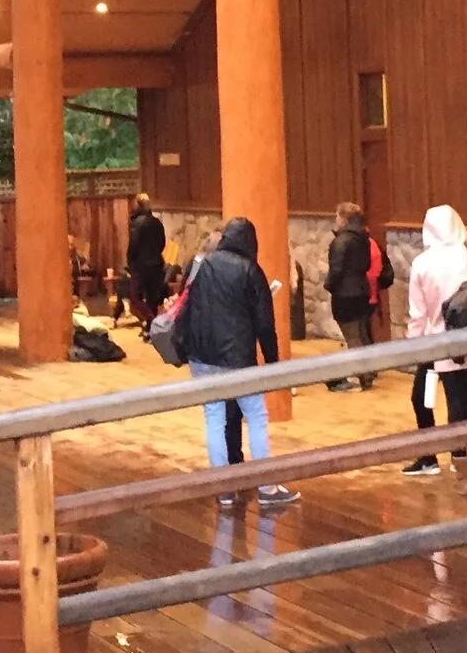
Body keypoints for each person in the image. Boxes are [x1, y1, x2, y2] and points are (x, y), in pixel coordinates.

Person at [178, 218, 300, 509]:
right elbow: (265, 324)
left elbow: (187, 305)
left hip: (201, 355)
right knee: (256, 417)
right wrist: (273, 362)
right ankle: (267, 488)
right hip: (237, 359)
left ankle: (224, 489)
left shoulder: (201, 264)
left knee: (214, 418)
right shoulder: (249, 270)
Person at [402, 206, 467, 479]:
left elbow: (418, 314)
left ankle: (464, 477)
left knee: (456, 410)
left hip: (445, 347)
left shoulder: (422, 264)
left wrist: (412, 347)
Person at [323, 202, 382, 392]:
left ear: (343, 218)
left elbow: (336, 269)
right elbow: (366, 265)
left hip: (345, 294)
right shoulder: (364, 239)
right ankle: (368, 373)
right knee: (361, 333)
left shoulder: (341, 241)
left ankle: (358, 378)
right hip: (362, 291)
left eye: (337, 216)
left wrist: (328, 285)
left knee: (352, 337)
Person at [126, 195, 169, 328]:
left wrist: (130, 262)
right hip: (157, 264)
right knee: (152, 299)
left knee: (135, 297)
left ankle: (152, 320)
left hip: (140, 266)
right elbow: (162, 243)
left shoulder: (136, 223)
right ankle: (151, 331)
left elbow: (133, 245)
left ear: (138, 205)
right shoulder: (157, 222)